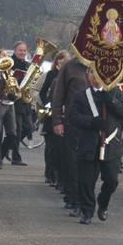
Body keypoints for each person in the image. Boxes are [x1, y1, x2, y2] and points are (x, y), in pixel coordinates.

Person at [69, 68, 123, 224]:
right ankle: (87, 211)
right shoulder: (81, 95)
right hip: (89, 144)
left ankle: (103, 203)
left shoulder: (116, 93)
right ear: (88, 76)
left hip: (111, 145)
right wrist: (91, 121)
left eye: (99, 74)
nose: (96, 77)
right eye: (93, 74)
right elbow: (73, 117)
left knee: (112, 180)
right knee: (86, 182)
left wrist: (110, 99)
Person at [51, 55, 88, 215]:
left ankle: (84, 198)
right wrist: (57, 121)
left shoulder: (101, 64)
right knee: (72, 161)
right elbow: (58, 96)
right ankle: (75, 198)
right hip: (72, 122)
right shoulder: (69, 66)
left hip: (93, 124)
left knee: (89, 164)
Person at [39, 51, 69, 186]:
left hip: (64, 115)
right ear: (56, 62)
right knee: (51, 147)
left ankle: (58, 175)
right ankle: (49, 173)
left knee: (60, 148)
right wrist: (48, 104)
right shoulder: (51, 75)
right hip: (51, 113)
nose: (61, 65)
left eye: (64, 62)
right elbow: (42, 92)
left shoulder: (69, 77)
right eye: (60, 62)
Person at [0, 49, 17, 169]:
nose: (2, 61)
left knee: (12, 133)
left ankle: (1, 154)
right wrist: (3, 84)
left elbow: (16, 88)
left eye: (4, 58)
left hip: (10, 104)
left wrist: (14, 91)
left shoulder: (11, 71)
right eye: (0, 58)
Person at [9, 41, 30, 166]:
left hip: (25, 101)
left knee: (29, 128)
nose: (22, 52)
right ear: (15, 51)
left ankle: (6, 147)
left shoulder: (28, 65)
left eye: (24, 50)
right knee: (17, 130)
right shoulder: (11, 63)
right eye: (20, 50)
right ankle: (15, 157)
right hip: (15, 101)